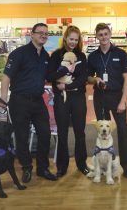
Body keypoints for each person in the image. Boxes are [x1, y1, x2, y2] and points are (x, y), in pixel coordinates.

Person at [0, 23, 57, 183]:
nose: (43, 35)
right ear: (32, 34)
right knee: (22, 136)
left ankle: (42, 168)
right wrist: (3, 97)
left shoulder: (46, 56)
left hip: (38, 101)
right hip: (19, 101)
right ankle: (26, 167)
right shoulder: (19, 53)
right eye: (40, 33)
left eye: (46, 33)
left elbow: (51, 76)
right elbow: (6, 76)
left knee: (45, 133)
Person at [87, 23, 127, 178]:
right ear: (97, 36)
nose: (103, 37)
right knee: (103, 131)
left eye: (106, 34)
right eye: (100, 35)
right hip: (100, 97)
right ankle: (104, 164)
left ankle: (125, 164)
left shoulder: (121, 54)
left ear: (110, 34)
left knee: (122, 130)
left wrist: (123, 101)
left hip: (117, 96)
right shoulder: (93, 56)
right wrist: (95, 79)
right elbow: (88, 77)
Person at [47, 25, 89, 177]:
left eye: (76, 40)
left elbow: (83, 78)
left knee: (80, 132)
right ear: (65, 38)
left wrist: (68, 84)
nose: (73, 42)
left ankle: (81, 163)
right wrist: (64, 70)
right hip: (61, 99)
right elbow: (50, 76)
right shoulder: (56, 55)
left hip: (77, 97)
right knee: (62, 132)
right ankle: (62, 166)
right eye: (71, 39)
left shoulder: (82, 56)